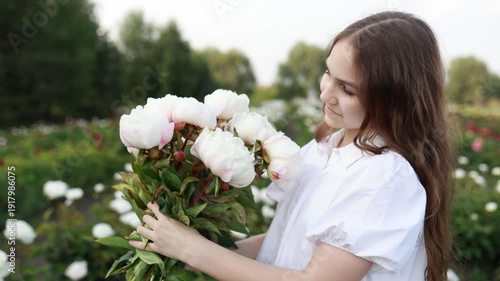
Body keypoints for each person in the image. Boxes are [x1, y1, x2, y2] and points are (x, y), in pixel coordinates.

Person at [129, 11, 454, 281]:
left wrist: (194, 250)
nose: (326, 94)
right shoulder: (325, 149)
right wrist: (189, 247)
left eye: (348, 89)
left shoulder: (383, 178)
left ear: (393, 100)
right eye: (329, 73)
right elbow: (282, 245)